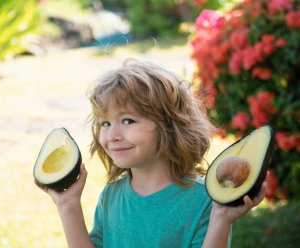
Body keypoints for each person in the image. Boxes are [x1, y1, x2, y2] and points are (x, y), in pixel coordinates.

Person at [35, 59, 267, 248]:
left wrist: (221, 219)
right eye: (104, 123)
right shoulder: (111, 196)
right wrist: (68, 205)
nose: (112, 135)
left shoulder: (205, 202)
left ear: (170, 126)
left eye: (127, 120)